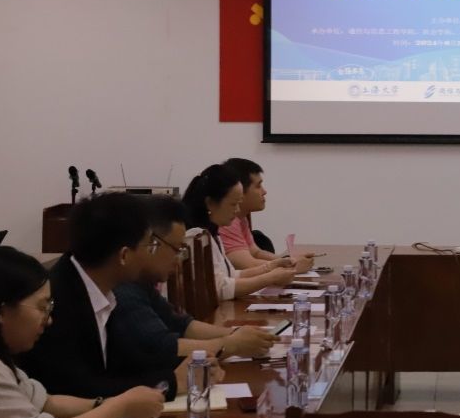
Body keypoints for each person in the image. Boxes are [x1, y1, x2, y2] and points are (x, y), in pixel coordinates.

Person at [17, 193, 205, 400]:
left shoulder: (100, 286)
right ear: (124, 255)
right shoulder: (58, 300)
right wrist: (171, 382)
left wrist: (185, 367)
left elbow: (127, 362)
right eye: (148, 246)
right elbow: (80, 389)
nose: (150, 254)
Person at [0, 245, 165, 418]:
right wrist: (120, 407)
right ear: (1, 311)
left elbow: (45, 402)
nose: (48, 320)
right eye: (42, 307)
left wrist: (105, 406)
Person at [110, 195, 278, 373]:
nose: (178, 259)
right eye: (176, 249)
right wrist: (230, 344)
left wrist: (236, 335)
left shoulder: (141, 283)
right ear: (151, 244)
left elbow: (181, 324)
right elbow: (163, 348)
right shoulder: (123, 291)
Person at [182, 163, 297, 300]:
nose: (237, 210)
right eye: (233, 204)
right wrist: (270, 278)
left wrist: (271, 266)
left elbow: (231, 275)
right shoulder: (195, 236)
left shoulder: (212, 233)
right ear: (210, 203)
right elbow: (219, 288)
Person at [219, 158, 314, 273]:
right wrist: (292, 266)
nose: (264, 192)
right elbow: (247, 265)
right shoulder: (227, 222)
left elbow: (256, 253)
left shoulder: (241, 218)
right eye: (258, 186)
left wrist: (289, 260)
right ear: (239, 190)